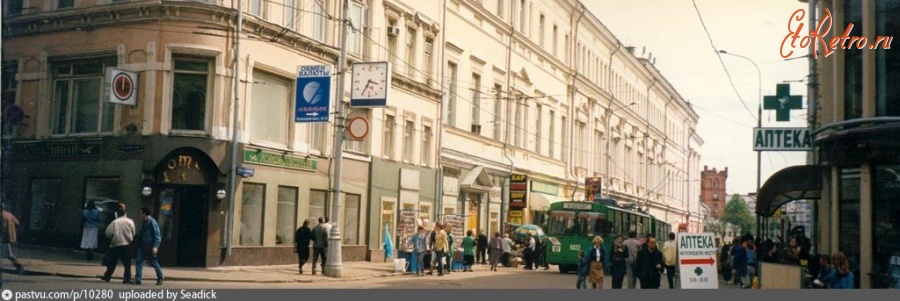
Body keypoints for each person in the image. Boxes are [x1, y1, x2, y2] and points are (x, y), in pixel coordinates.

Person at [101, 205, 135, 284]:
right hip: (126, 244)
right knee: (127, 263)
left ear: (117, 214)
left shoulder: (115, 222)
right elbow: (133, 232)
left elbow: (108, 233)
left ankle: (107, 276)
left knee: (113, 262)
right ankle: (127, 278)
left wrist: (112, 238)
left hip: (116, 244)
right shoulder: (130, 221)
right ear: (125, 214)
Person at [134, 207, 163, 286]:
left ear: (144, 214)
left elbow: (157, 236)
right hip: (142, 245)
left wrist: (155, 246)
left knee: (154, 262)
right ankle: (138, 278)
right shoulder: (144, 222)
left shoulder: (152, 222)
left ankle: (160, 277)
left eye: (141, 213)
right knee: (139, 261)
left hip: (150, 246)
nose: (140, 215)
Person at [1, 210, 24, 274]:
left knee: (8, 254)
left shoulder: (2, 215)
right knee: (9, 254)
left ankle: (19, 266)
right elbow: (17, 223)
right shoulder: (9, 214)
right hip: (9, 237)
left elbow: (3, 227)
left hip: (3, 237)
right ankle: (19, 266)